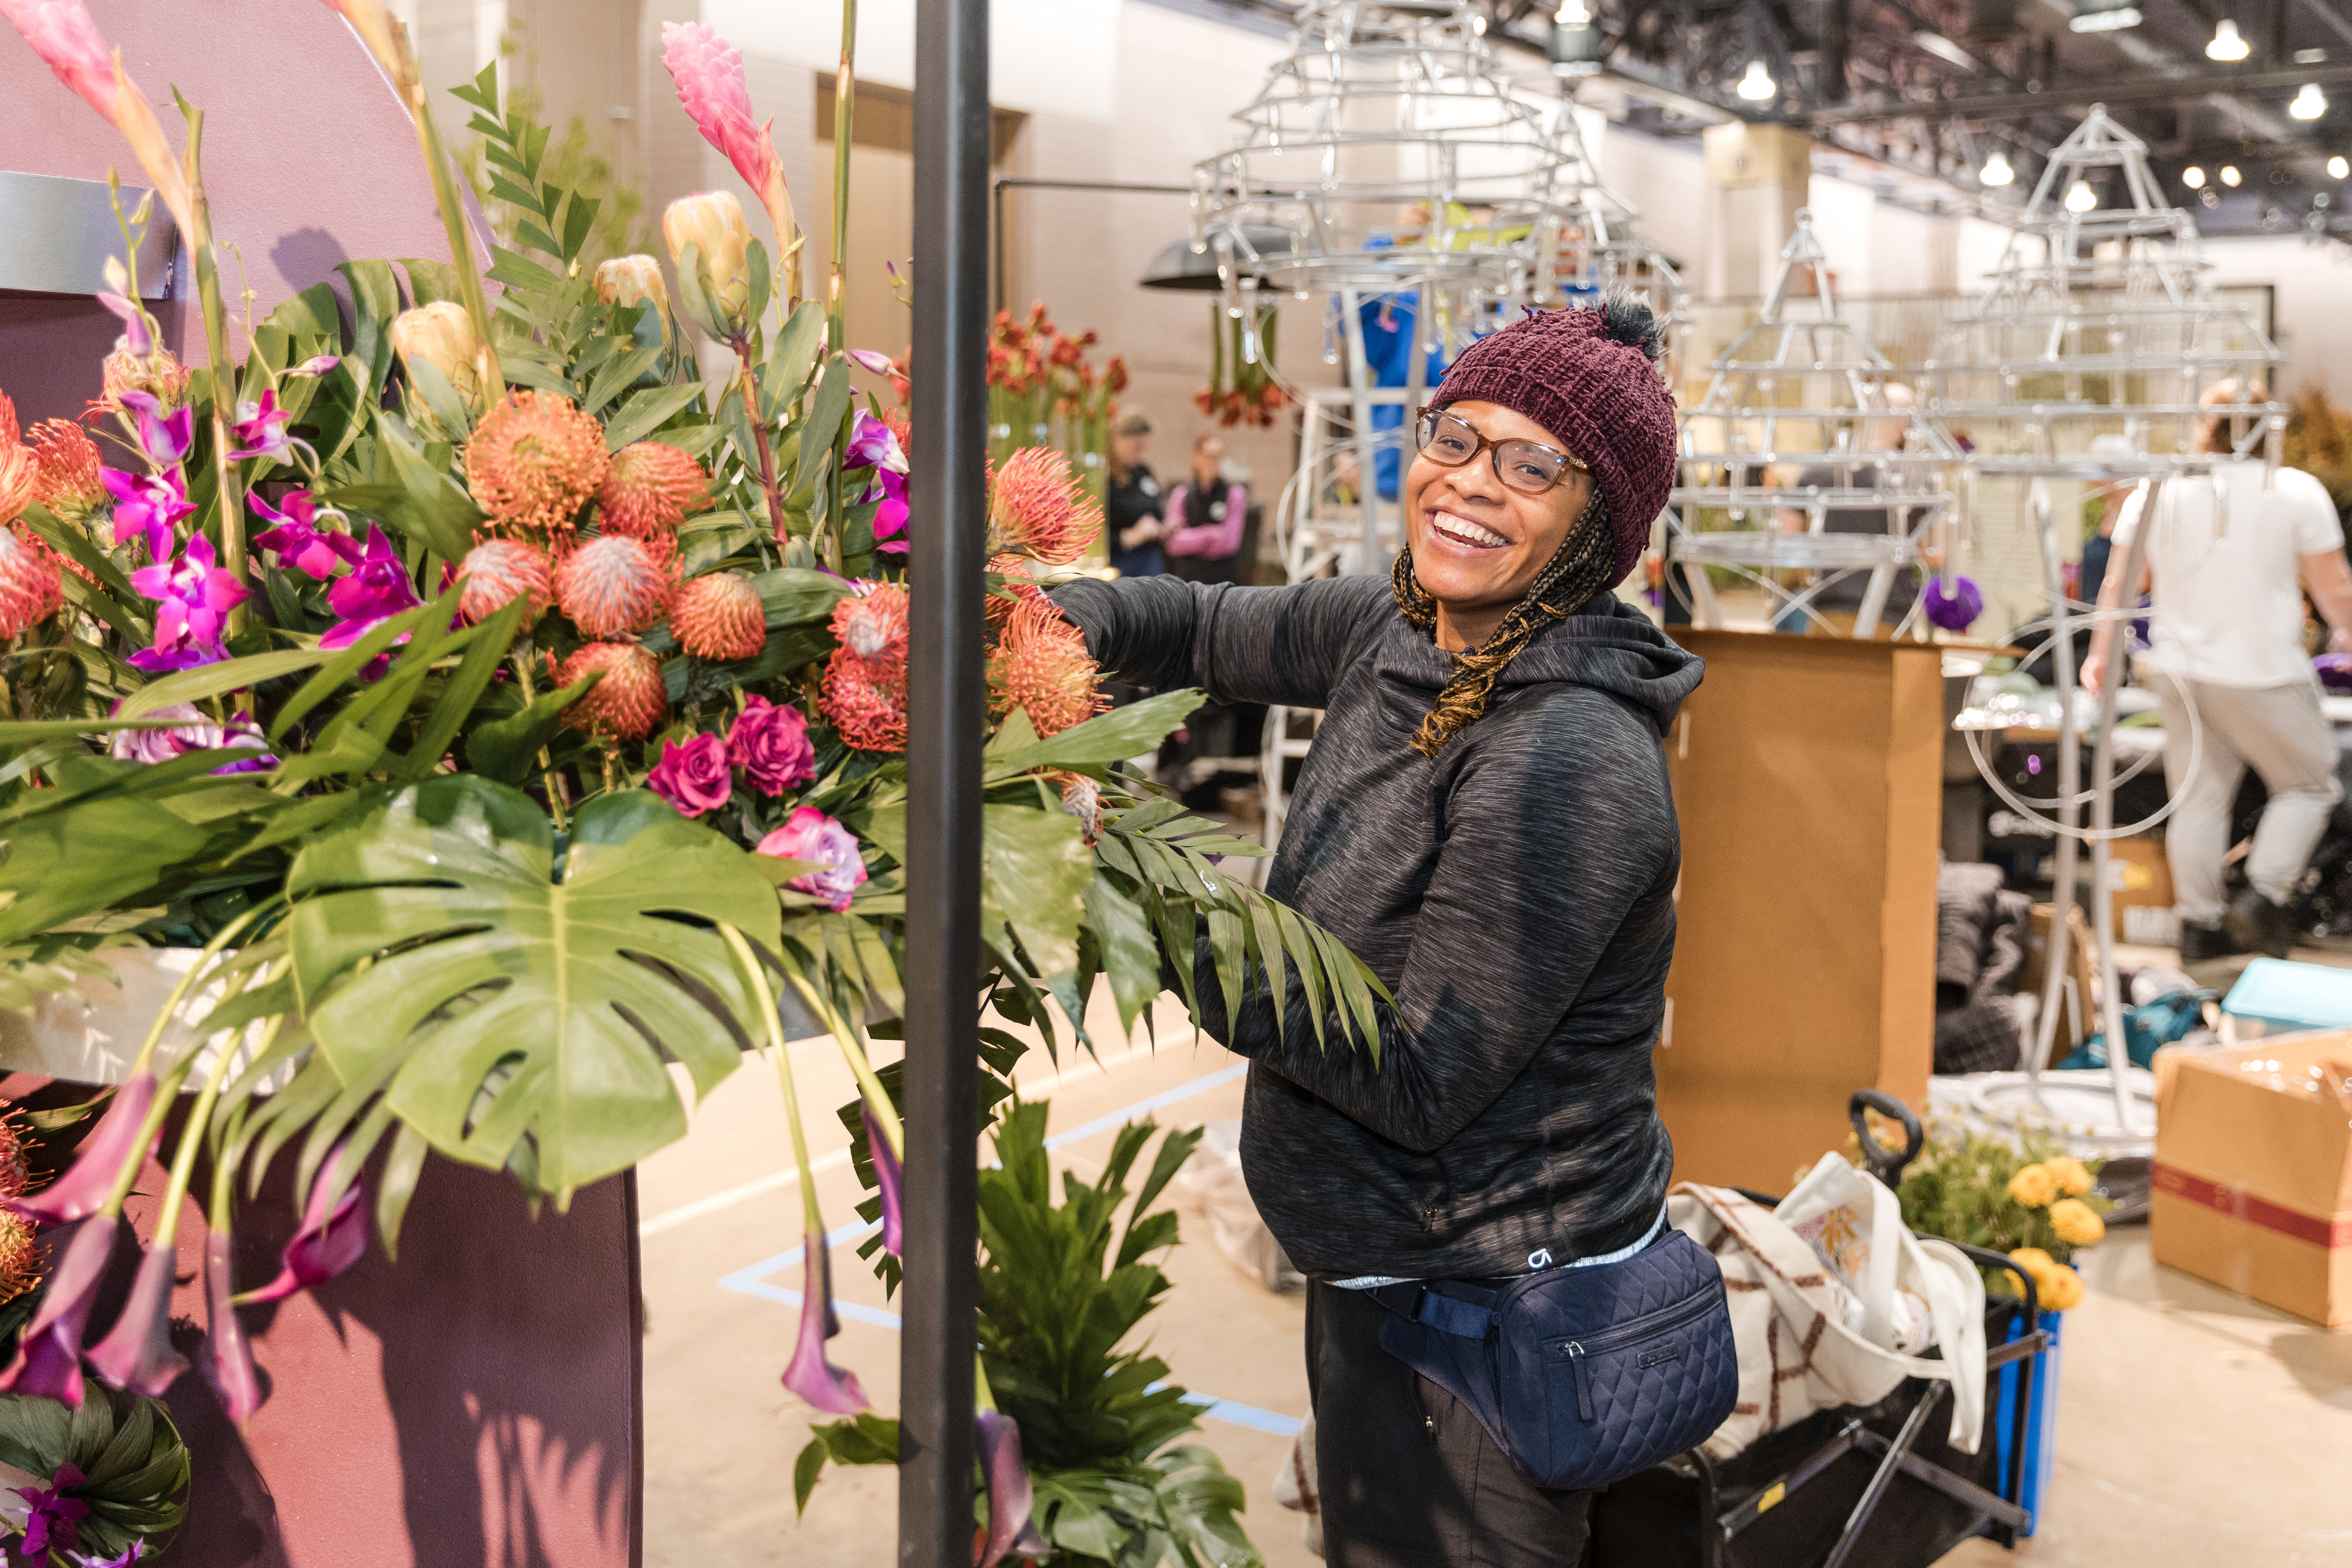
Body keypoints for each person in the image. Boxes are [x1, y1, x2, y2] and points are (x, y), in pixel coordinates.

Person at [1052, 299, 1698, 1566]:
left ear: (1599, 524)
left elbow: (1410, 1073)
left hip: (1487, 1310)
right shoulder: (1400, 626)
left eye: (1530, 465)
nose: (1467, 484)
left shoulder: (1567, 754)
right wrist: (1041, 629)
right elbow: (1192, 627)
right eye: (1456, 436)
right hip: (1380, 1266)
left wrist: (1120, 882)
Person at [2087, 381, 2352, 961]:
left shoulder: (2159, 491)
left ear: (2203, 427)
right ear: (2269, 427)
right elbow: (2333, 588)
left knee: (2200, 797)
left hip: (2180, 672)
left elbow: (2121, 583)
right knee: (2312, 783)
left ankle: (2199, 927)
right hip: (2263, 672)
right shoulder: (2291, 490)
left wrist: (2099, 654)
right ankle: (2263, 897)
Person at [1772, 384, 1926, 636]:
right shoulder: (1917, 477)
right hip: (1893, 619)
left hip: (1828, 614)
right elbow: (1935, 555)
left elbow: (1786, 540)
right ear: (1906, 424)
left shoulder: (1819, 471)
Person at [1162, 433, 1256, 586]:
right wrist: (1211, 534)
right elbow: (1173, 543)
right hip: (1187, 581)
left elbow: (1229, 543)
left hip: (1221, 582)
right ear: (1196, 458)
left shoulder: (1235, 494)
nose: (1214, 462)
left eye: (1219, 457)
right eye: (1209, 456)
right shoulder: (1182, 494)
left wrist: (1190, 538)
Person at [1105, 410, 1167, 579]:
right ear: (1116, 439)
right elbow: (1091, 535)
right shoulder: (1103, 478)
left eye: (1145, 448)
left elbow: (1156, 509)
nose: (1142, 455)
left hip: (1150, 562)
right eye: (1136, 447)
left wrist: (1164, 528)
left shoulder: (1143, 471)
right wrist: (1130, 537)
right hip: (1119, 565)